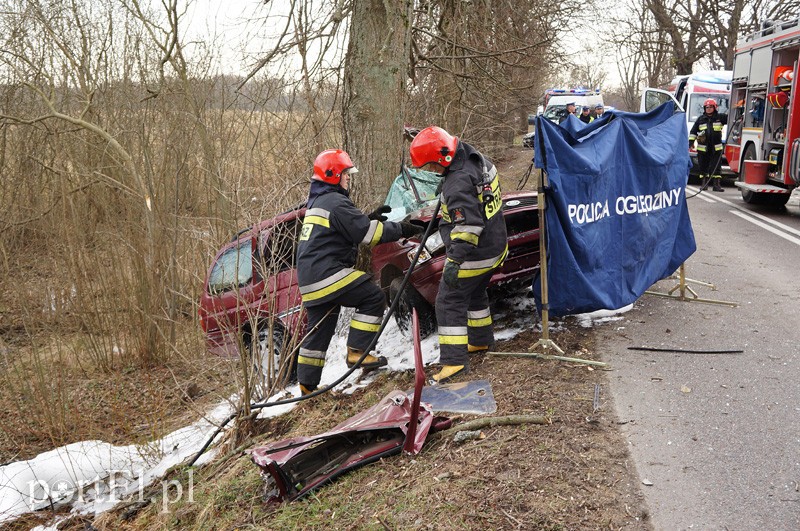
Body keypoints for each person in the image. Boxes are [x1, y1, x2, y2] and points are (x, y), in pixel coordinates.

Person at [295, 149, 423, 395]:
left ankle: (307, 387)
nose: (348, 178)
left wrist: (368, 218)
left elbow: (343, 230)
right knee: (372, 296)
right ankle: (357, 351)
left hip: (310, 280)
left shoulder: (319, 203)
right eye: (345, 174)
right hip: (327, 273)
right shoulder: (335, 201)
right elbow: (367, 234)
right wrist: (403, 229)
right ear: (333, 175)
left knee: (319, 330)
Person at [408, 127, 508, 383]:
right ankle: (481, 340)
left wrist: (453, 261)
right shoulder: (475, 158)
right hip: (496, 244)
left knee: (448, 300)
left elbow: (468, 228)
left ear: (443, 157)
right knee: (474, 291)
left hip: (475, 252)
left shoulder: (457, 183)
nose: (432, 171)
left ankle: (454, 362)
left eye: (431, 166)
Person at [689, 98, 728, 192]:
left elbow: (731, 119)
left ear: (715, 108)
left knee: (716, 167)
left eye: (711, 107)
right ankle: (704, 184)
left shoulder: (720, 117)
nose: (709, 109)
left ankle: (716, 185)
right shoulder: (700, 119)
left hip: (716, 148)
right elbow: (693, 132)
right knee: (703, 167)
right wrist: (691, 143)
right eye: (707, 107)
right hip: (703, 148)